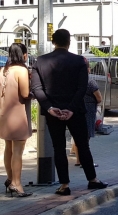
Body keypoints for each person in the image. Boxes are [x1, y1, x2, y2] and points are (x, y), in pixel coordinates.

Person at [31, 29, 107, 195]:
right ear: (69, 42)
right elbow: (82, 88)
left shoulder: (40, 61)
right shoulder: (79, 61)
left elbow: (36, 88)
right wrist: (71, 108)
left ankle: (64, 185)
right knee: (83, 145)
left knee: (58, 147)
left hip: (53, 113)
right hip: (76, 111)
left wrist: (50, 108)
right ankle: (92, 180)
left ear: (53, 42)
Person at [0, 44, 33, 197]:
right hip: (18, 114)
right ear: (24, 55)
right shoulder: (22, 70)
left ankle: (9, 178)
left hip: (4, 114)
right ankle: (17, 184)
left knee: (8, 147)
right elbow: (25, 93)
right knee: (18, 151)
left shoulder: (2, 70)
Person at [73, 57, 102, 167]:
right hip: (88, 110)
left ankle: (78, 160)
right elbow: (99, 98)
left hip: (75, 109)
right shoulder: (90, 81)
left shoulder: (73, 81)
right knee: (86, 138)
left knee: (77, 136)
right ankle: (85, 162)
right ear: (88, 69)